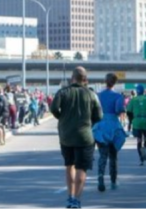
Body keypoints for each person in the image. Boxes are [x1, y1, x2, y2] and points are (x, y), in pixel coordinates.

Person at [51, 67, 102, 209]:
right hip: (85, 137)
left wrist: (62, 118)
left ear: (72, 78)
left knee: (69, 166)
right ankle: (77, 200)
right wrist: (89, 121)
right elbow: (99, 116)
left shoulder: (62, 92)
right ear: (85, 79)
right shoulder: (91, 94)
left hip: (66, 136)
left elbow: (53, 108)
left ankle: (70, 197)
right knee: (82, 168)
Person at [92, 73, 126, 192]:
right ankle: (113, 181)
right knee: (113, 155)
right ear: (115, 83)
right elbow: (119, 110)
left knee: (102, 155)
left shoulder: (98, 95)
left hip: (101, 126)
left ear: (105, 81)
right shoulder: (118, 96)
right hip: (113, 126)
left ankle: (100, 177)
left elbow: (94, 111)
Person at [126, 85, 146, 166]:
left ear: (137, 91)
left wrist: (130, 122)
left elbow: (129, 112)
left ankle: (141, 159)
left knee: (138, 140)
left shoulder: (133, 100)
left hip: (137, 121)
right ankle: (144, 148)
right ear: (143, 91)